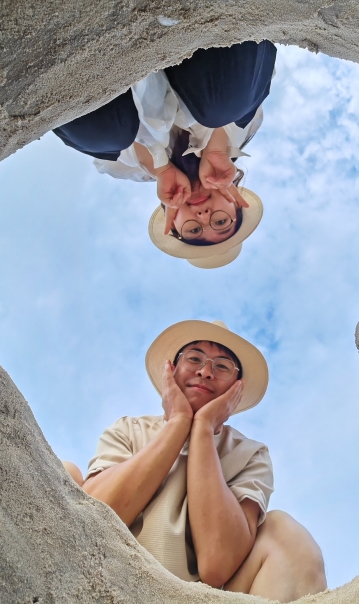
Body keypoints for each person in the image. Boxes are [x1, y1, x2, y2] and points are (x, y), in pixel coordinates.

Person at [62, 320, 326, 602]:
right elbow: (94, 518)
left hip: (197, 597)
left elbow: (218, 564)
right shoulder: (129, 429)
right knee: (64, 473)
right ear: (171, 370)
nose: (205, 372)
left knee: (285, 533)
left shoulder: (251, 454)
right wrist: (178, 421)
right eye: (194, 359)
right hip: (108, 581)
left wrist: (203, 428)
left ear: (237, 387)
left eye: (222, 366)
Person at [53, 41, 276, 268]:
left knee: (107, 136)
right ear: (236, 205)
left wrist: (161, 167)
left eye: (194, 229)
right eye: (220, 222)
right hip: (190, 44)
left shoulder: (127, 168)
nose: (203, 216)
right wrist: (216, 148)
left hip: (102, 58)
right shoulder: (242, 130)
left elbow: (104, 134)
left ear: (174, 223)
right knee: (227, 107)